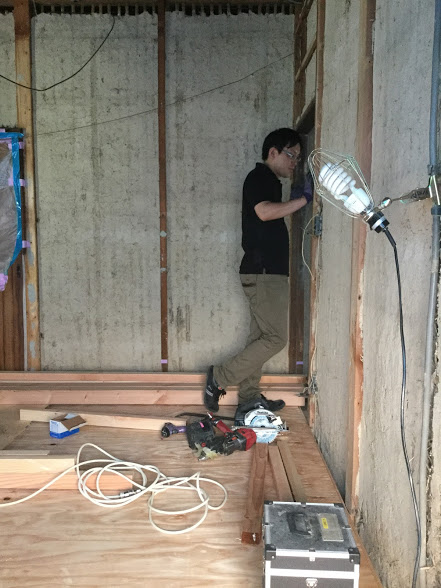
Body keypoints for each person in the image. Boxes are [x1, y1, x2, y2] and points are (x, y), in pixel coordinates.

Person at [204, 127, 312, 414]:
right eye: (291, 155)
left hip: (267, 272)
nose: (295, 162)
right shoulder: (259, 177)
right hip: (264, 272)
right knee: (276, 339)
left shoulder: (270, 181)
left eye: (298, 157)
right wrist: (302, 200)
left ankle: (249, 398)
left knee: (260, 338)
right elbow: (264, 212)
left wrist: (293, 200)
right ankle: (219, 377)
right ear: (273, 152)